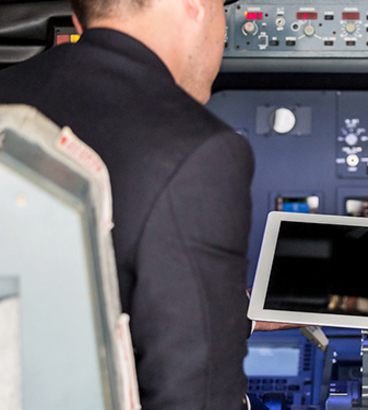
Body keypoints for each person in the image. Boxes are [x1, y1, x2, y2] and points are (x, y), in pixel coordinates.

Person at [0, 0, 261, 408]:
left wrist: (241, 311)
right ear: (196, 6)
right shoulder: (197, 148)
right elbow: (196, 392)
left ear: (78, 20)